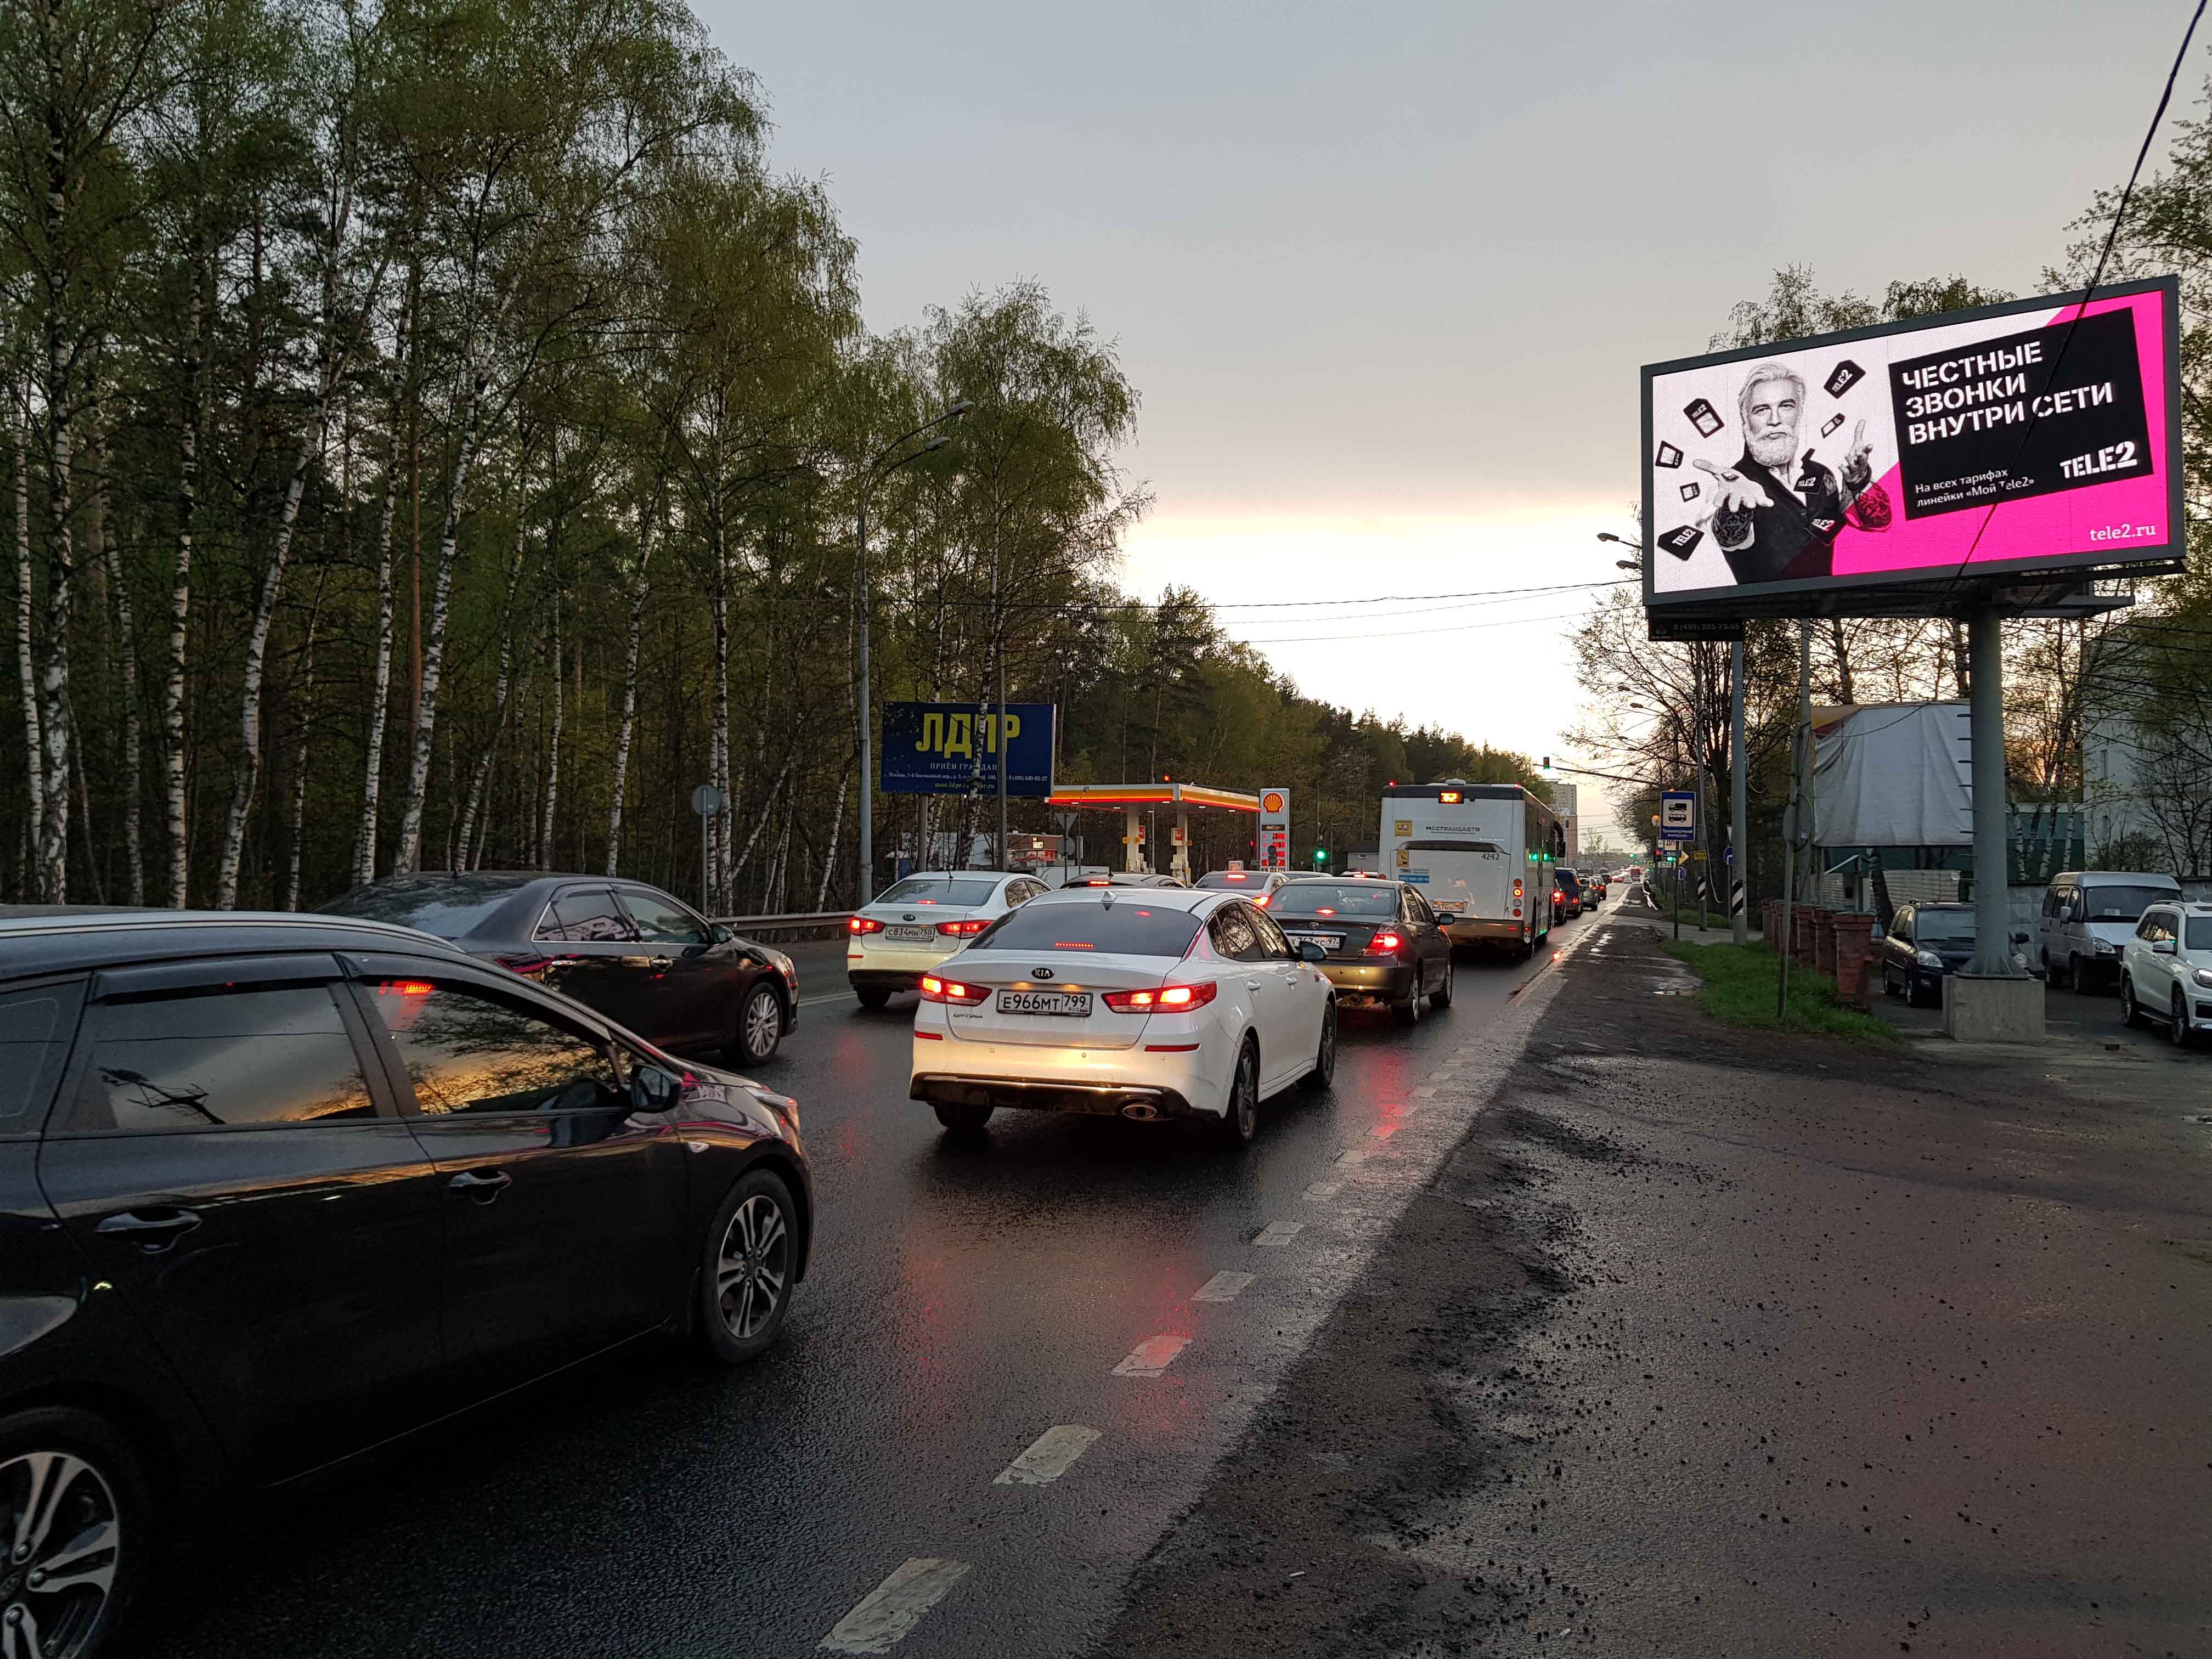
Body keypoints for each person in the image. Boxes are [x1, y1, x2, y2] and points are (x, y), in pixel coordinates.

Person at [1690, 363, 1891, 584]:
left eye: (1786, 406)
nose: (1775, 420)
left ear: (1800, 412)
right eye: (1761, 410)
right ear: (1745, 420)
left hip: (1826, 607)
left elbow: (1877, 523)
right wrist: (1735, 507)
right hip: (1769, 616)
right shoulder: (1731, 485)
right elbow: (1730, 539)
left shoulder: (1822, 474)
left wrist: (1858, 481)